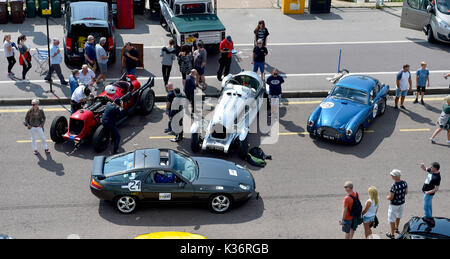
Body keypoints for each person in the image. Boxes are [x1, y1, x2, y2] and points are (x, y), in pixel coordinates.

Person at [386, 169, 408, 239]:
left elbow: (391, 197)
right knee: (398, 216)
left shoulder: (394, 186)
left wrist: (387, 197)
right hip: (401, 203)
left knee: (392, 219)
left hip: (394, 205)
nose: (391, 176)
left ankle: (392, 234)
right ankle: (396, 228)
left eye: (392, 175)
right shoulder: (404, 183)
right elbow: (406, 192)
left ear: (395, 176)